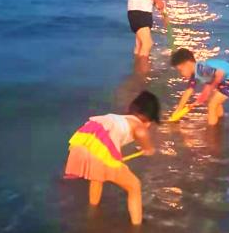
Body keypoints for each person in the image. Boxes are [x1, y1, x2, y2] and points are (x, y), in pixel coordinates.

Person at [63, 90, 161, 225]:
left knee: (97, 177)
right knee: (134, 186)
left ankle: (92, 210)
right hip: (100, 154)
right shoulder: (140, 127)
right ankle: (137, 226)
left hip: (81, 145)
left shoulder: (119, 118)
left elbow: (106, 136)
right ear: (150, 119)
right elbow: (141, 134)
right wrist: (148, 149)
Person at [171, 48, 229, 125]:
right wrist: (178, 110)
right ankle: (220, 122)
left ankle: (212, 130)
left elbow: (220, 74)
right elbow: (188, 91)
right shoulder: (195, 73)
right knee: (215, 101)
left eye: (181, 70)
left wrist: (209, 88)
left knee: (212, 105)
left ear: (187, 64)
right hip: (224, 80)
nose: (181, 74)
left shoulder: (201, 68)